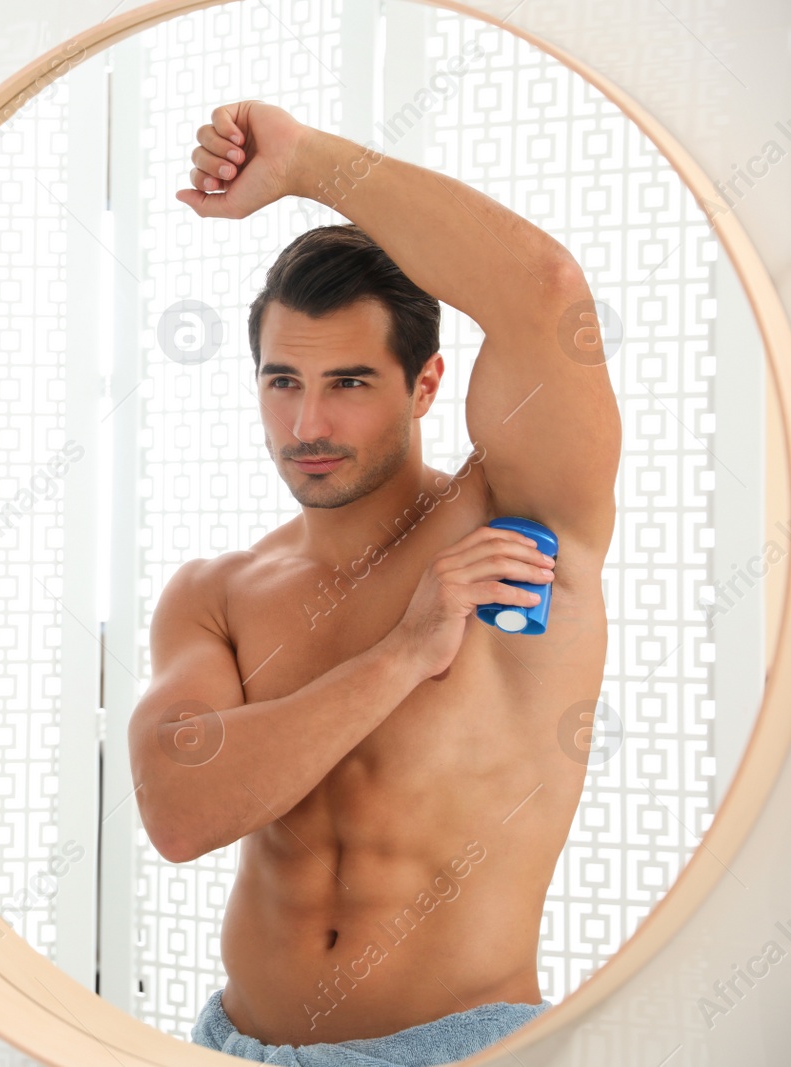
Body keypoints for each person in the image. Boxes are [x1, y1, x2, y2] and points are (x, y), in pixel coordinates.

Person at [128, 101, 620, 1065]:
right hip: (237, 1043)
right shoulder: (216, 592)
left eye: (349, 383)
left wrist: (308, 161)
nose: (307, 423)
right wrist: (404, 651)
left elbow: (545, 291)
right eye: (283, 381)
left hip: (457, 1047)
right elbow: (181, 816)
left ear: (425, 385)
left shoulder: (518, 523)